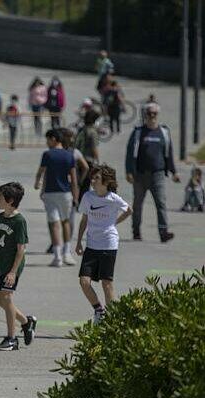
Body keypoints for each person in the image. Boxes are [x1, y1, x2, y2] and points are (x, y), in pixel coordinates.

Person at [75, 165, 132, 324]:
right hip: (91, 245)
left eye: (97, 178)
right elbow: (84, 220)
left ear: (106, 182)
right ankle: (99, 310)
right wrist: (79, 241)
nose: (93, 181)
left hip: (108, 245)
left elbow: (129, 210)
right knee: (84, 282)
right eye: (92, 178)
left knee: (107, 284)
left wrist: (115, 222)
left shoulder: (113, 198)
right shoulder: (88, 197)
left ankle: (113, 320)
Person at [0, 182, 37, 351]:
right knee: (0, 300)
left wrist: (13, 272)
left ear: (10, 201)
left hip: (12, 266)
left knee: (7, 298)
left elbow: (21, 249)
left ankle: (12, 338)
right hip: (0, 265)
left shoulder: (19, 221)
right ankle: (26, 322)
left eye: (0, 198)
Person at [125, 103, 180, 242]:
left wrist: (174, 172)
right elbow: (130, 152)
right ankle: (136, 231)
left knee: (161, 204)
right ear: (145, 115)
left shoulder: (164, 132)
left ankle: (163, 232)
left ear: (157, 115)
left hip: (158, 175)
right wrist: (129, 171)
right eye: (149, 113)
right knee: (137, 205)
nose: (152, 116)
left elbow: (169, 153)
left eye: (154, 113)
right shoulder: (138, 132)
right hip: (140, 175)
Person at [35, 129, 79, 267]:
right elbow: (74, 179)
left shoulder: (47, 154)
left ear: (54, 139)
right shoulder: (69, 155)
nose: (47, 143)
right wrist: (76, 197)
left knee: (53, 223)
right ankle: (67, 253)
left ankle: (57, 256)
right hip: (65, 193)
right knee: (66, 221)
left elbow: (41, 172)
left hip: (50, 193)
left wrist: (37, 184)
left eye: (48, 140)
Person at [61, 127, 90, 242]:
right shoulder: (74, 152)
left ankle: (63, 241)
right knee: (70, 216)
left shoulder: (58, 151)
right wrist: (79, 181)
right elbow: (86, 167)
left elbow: (86, 167)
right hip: (72, 186)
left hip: (65, 186)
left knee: (63, 217)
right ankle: (64, 241)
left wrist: (79, 182)